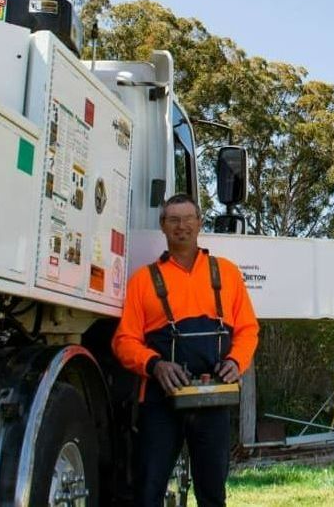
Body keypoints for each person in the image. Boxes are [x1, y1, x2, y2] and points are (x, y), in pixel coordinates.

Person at [113, 194, 259, 507]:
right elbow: (124, 341)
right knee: (148, 490)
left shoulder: (227, 274)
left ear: (200, 223)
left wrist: (236, 361)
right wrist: (155, 365)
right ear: (163, 226)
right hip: (159, 403)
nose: (182, 226)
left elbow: (248, 330)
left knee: (212, 493)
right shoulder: (143, 281)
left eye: (188, 219)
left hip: (213, 399)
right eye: (174, 220)